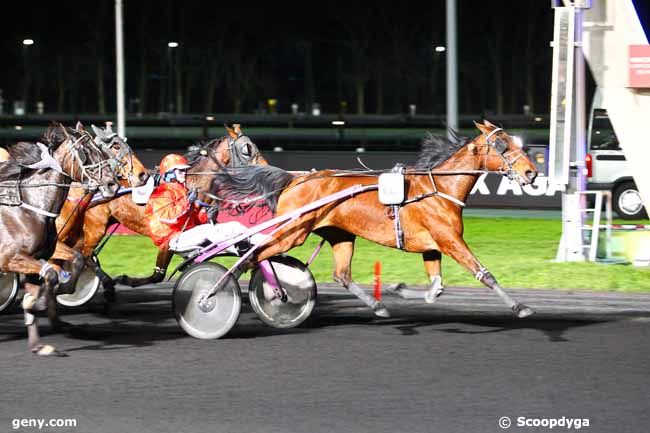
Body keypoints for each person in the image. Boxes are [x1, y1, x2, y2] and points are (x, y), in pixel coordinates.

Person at [145, 153, 266, 254]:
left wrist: (206, 214)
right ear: (170, 173)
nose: (185, 173)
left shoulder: (182, 191)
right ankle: (241, 251)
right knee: (207, 230)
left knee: (233, 226)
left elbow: (192, 219)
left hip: (186, 234)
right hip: (172, 239)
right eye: (181, 171)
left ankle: (266, 241)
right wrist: (188, 201)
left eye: (185, 170)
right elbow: (169, 217)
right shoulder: (160, 193)